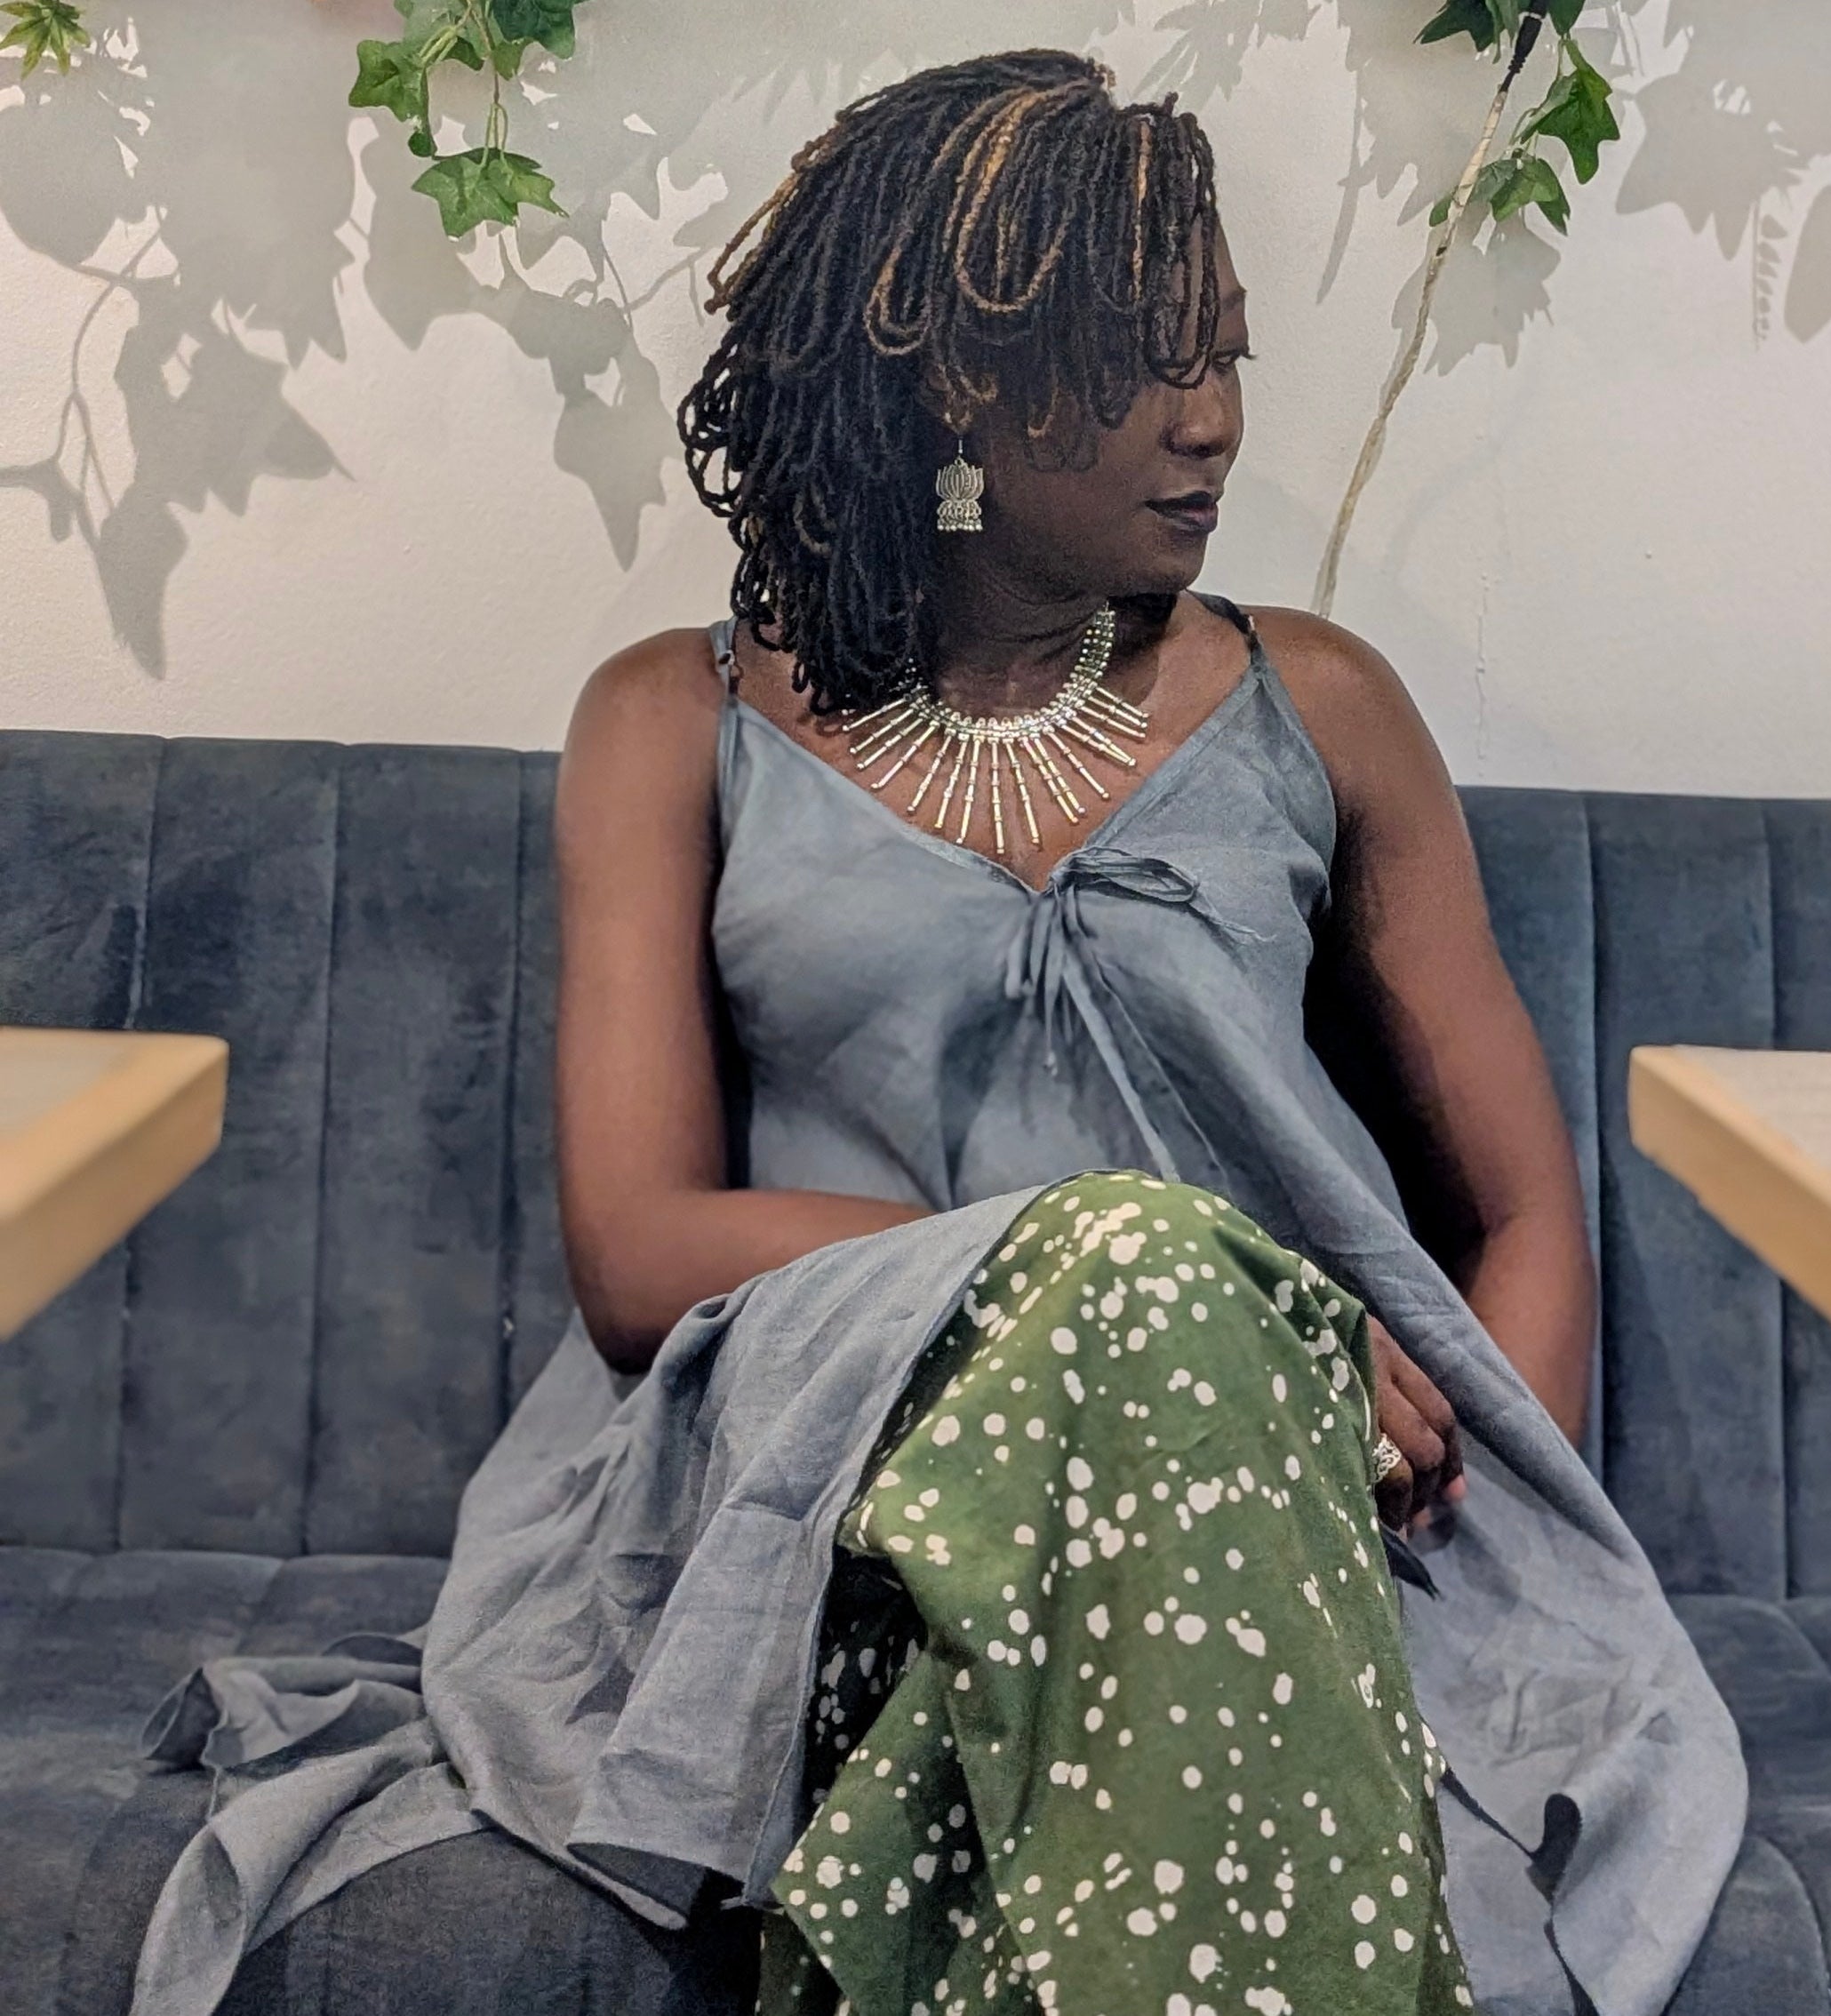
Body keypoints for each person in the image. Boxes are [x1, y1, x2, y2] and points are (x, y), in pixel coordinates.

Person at [128, 48, 1743, 2016]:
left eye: (1225, 350)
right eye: (1148, 361)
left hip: (1269, 1489)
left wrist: (1454, 1497)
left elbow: (1520, 1208)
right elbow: (641, 1254)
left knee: (1138, 1486)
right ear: (961, 383)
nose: (1214, 417)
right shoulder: (672, 717)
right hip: (824, 1490)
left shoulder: (1318, 703)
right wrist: (1143, 1277)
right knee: (1143, 1267)